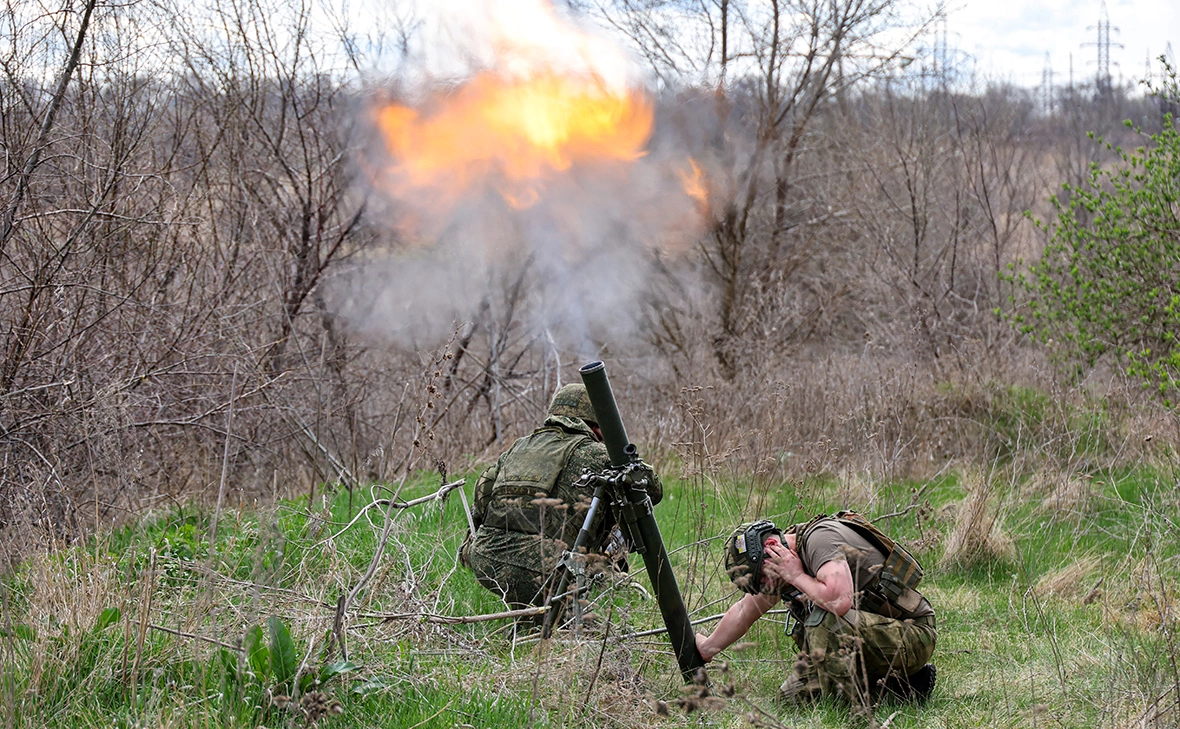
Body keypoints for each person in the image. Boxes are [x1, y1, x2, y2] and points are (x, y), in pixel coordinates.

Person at [696, 515, 936, 706]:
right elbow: (743, 611)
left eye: (761, 579)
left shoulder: (818, 541)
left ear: (771, 546)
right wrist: (708, 648)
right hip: (870, 637)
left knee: (825, 619)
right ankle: (904, 688)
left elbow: (839, 601)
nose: (763, 588)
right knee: (791, 699)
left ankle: (857, 703)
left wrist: (797, 575)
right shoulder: (781, 561)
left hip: (912, 635)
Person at [461, 383, 662, 611]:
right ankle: (605, 594)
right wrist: (618, 450)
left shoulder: (517, 448)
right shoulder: (597, 453)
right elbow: (653, 489)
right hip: (551, 569)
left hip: (487, 561)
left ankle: (534, 615)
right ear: (597, 426)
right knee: (625, 511)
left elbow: (482, 501)